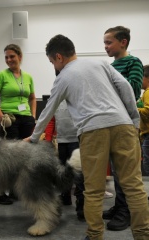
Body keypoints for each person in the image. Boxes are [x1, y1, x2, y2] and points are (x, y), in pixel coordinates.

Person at [23, 34, 149, 240]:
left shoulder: (63, 77)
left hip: (93, 131)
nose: (54, 65)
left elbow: (47, 112)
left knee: (94, 190)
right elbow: (126, 87)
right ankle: (143, 236)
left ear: (58, 57)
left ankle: (94, 235)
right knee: (134, 187)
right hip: (123, 126)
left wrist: (35, 138)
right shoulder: (100, 64)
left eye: (52, 62)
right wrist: (133, 120)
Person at [103, 26, 144, 231]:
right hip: (112, 123)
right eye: (105, 43)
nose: (105, 46)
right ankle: (119, 205)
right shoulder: (111, 66)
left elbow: (134, 89)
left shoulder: (133, 62)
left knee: (125, 172)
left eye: (109, 42)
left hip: (126, 123)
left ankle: (126, 211)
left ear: (123, 42)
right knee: (116, 168)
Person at [0, 43, 36, 205]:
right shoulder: (1, 76)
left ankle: (16, 191)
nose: (9, 60)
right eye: (6, 57)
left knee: (24, 157)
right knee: (7, 157)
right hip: (10, 120)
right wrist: (1, 116)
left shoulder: (28, 77)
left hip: (26, 119)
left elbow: (32, 98)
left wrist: (33, 116)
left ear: (20, 57)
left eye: (12, 56)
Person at [44, 99, 85, 221]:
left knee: (78, 175)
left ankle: (81, 206)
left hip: (77, 140)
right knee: (62, 171)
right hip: (61, 141)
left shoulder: (77, 97)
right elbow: (51, 120)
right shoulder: (55, 98)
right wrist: (47, 139)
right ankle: (65, 196)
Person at [138, 65, 149, 176]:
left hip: (148, 134)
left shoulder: (147, 92)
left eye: (141, 77)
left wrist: (135, 109)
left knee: (147, 163)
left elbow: (148, 110)